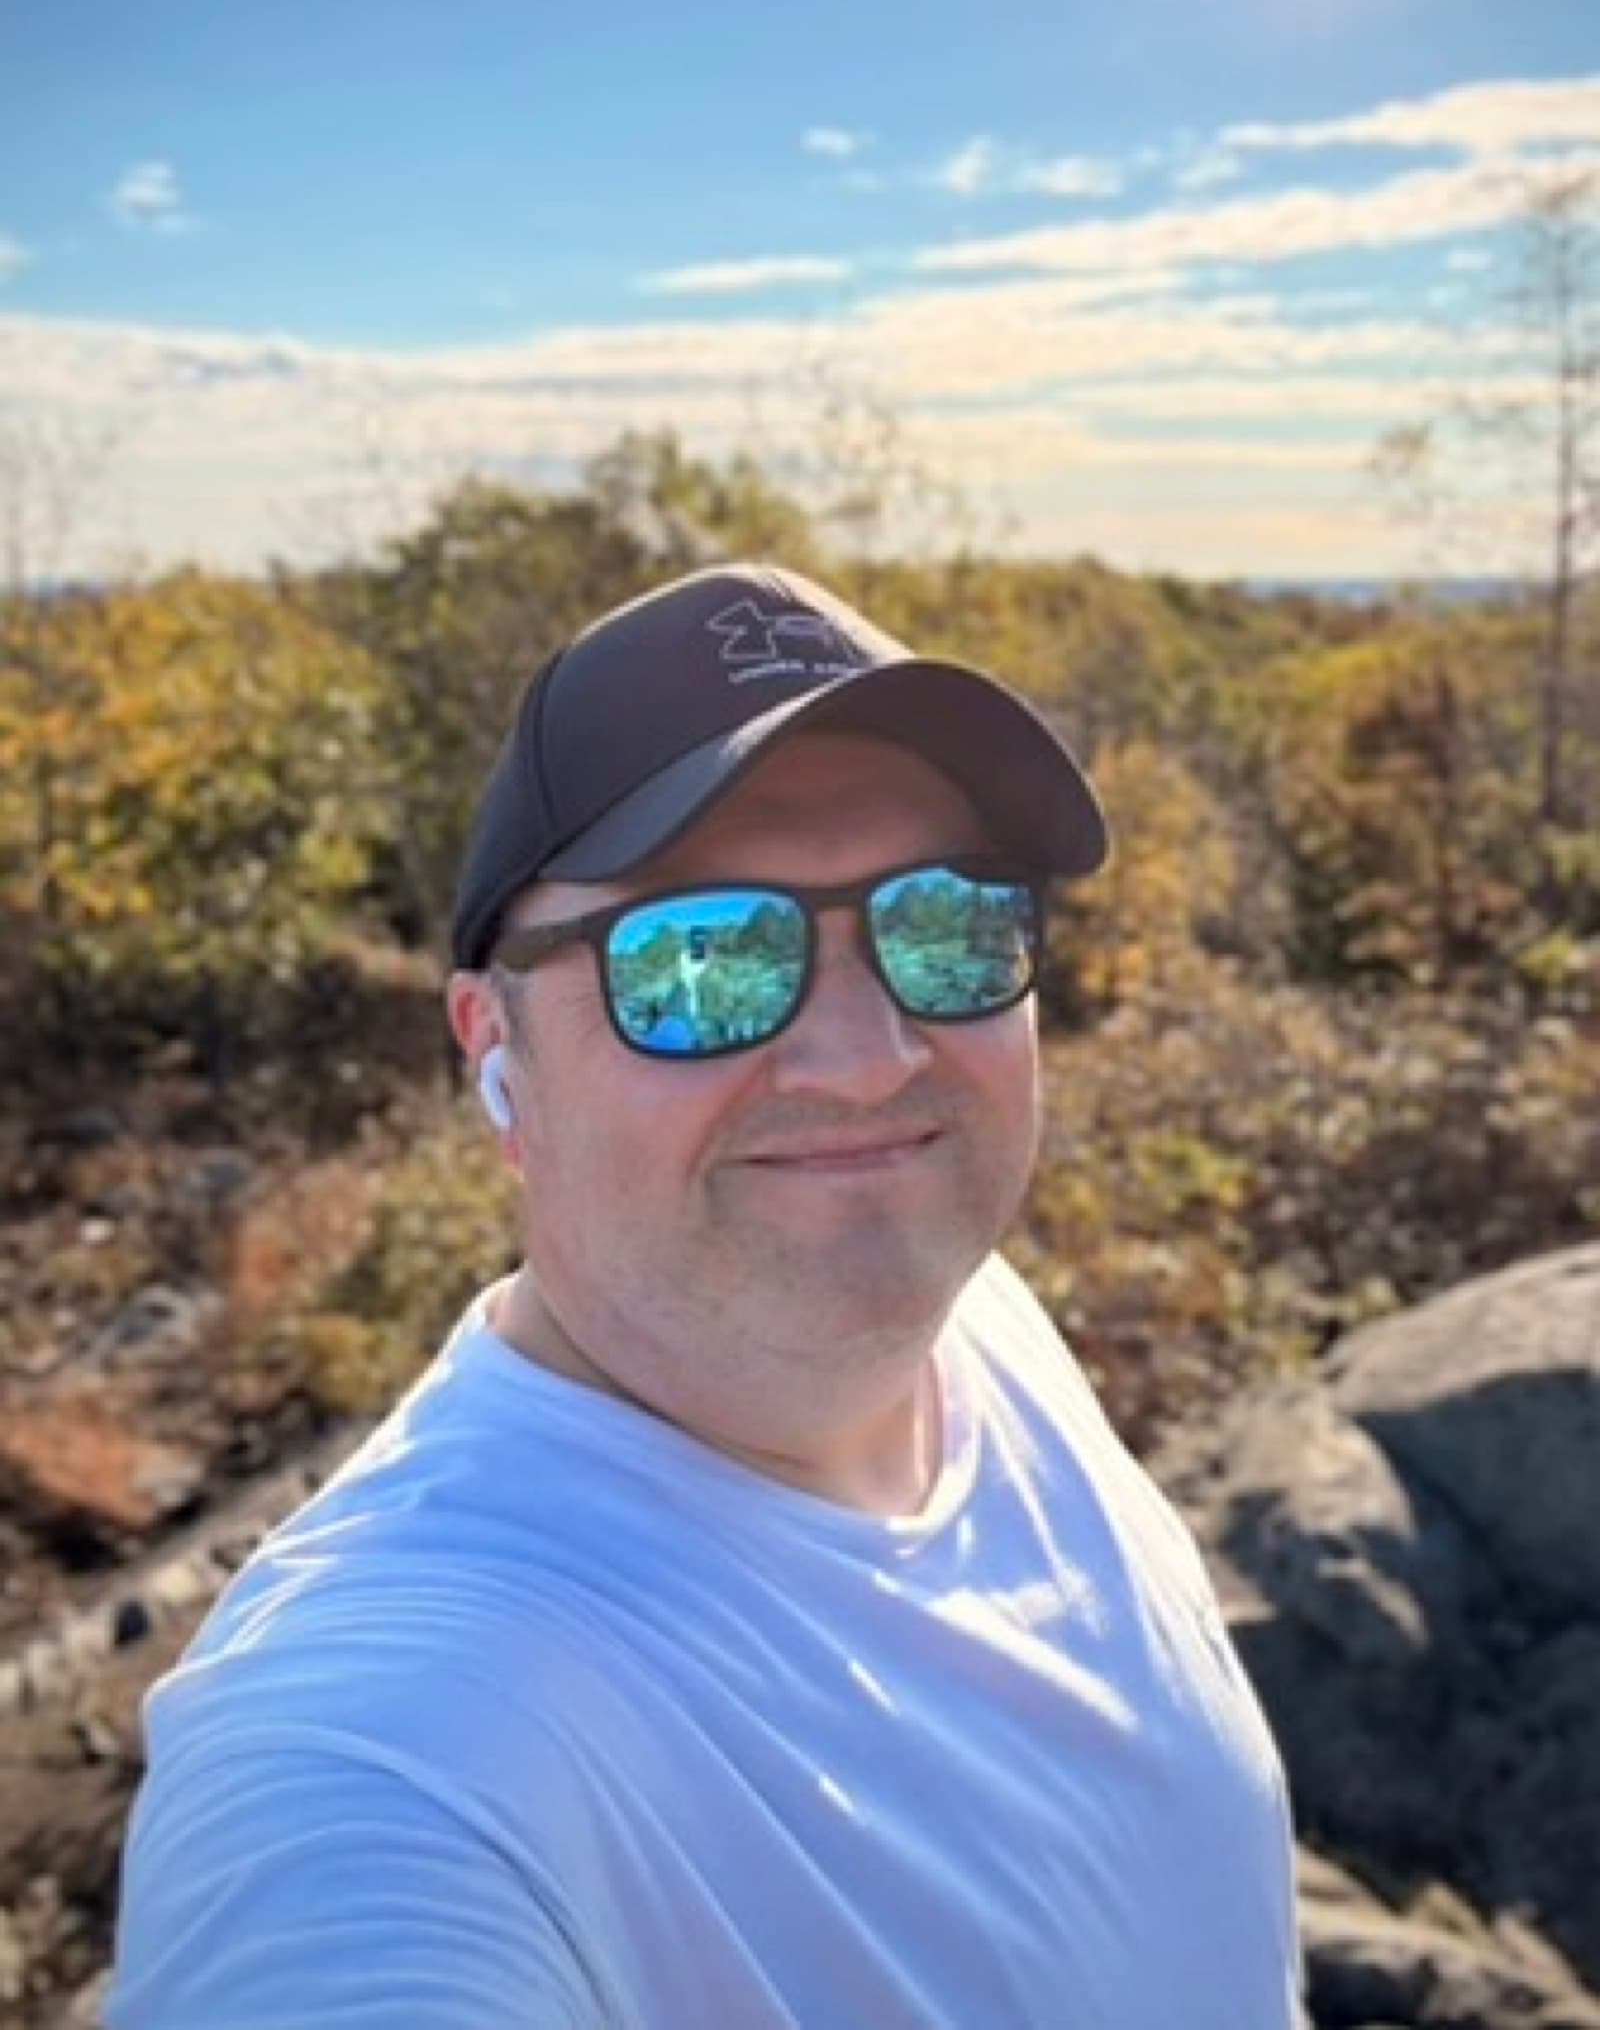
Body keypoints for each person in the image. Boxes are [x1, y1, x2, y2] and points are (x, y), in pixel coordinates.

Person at [106, 561, 1303, 2029]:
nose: (868, 1058)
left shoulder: (982, 1324)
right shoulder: (373, 1750)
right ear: (497, 1050)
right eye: (695, 961)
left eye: (946, 927)